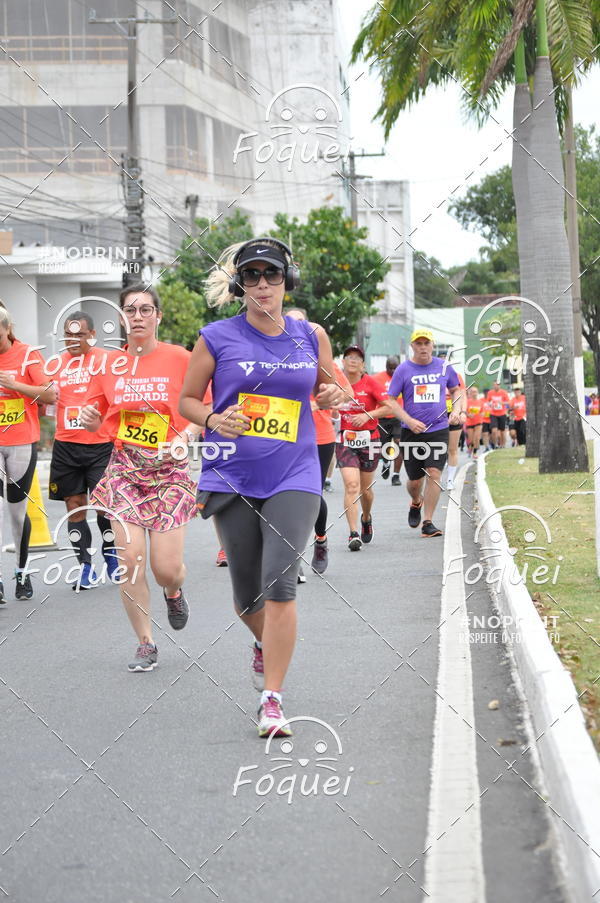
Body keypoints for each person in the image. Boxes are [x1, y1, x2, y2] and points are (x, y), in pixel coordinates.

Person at [178, 238, 341, 738]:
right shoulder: (215, 338)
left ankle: (273, 699)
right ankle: (262, 641)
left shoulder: (310, 335)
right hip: (231, 474)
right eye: (252, 277)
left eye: (272, 276)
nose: (263, 285)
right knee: (247, 596)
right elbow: (186, 401)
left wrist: (334, 392)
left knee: (280, 583)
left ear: (286, 280)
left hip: (296, 472)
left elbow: (330, 390)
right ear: (239, 284)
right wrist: (211, 418)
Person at [80, 284, 200, 672]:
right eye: (130, 310)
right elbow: (100, 417)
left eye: (146, 309)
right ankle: (145, 642)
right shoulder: (109, 366)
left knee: (165, 567)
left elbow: (205, 405)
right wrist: (92, 420)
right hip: (125, 470)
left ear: (158, 316)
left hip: (170, 470)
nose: (138, 316)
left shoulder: (181, 358)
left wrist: (186, 435)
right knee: (130, 559)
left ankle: (173, 589)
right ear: (121, 318)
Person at [49, 311, 119, 590]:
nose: (73, 339)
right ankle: (85, 567)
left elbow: (118, 399)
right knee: (74, 507)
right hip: (66, 446)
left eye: (79, 334)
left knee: (104, 507)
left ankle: (111, 556)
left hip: (101, 445)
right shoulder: (55, 364)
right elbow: (47, 403)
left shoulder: (106, 361)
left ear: (91, 335)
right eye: (69, 333)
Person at [285, 307, 352, 575]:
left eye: (303, 324)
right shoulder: (275, 359)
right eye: (291, 324)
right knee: (286, 497)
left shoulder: (322, 358)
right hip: (285, 437)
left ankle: (321, 540)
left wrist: (330, 397)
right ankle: (292, 557)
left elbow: (347, 392)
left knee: (312, 495)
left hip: (320, 437)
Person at [0, 306, 56, 601]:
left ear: (7, 329)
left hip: (21, 441)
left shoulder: (27, 354)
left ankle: (22, 573)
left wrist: (14, 385)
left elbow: (50, 394)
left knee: (17, 515)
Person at [386, 329, 464, 537]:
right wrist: (409, 421)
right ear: (412, 347)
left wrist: (456, 411)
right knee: (414, 481)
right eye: (418, 344)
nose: (422, 347)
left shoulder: (443, 367)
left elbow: (457, 389)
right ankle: (416, 501)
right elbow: (391, 401)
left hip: (438, 429)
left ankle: (428, 522)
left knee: (435, 472)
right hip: (411, 432)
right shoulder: (403, 370)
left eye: (426, 343)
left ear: (432, 345)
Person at [336, 345, 393, 550]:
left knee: (365, 490)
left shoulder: (371, 383)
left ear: (363, 364)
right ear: (343, 362)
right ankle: (353, 534)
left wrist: (367, 415)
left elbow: (388, 406)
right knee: (351, 485)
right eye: (349, 357)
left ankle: (366, 518)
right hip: (345, 440)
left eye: (357, 358)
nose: (353, 360)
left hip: (369, 439)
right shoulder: (336, 383)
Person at [373, 355, 404, 485]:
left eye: (394, 368)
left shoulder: (404, 377)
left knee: (399, 443)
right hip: (382, 418)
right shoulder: (377, 379)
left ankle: (396, 475)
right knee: (385, 446)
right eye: (389, 368)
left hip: (398, 416)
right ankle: (386, 463)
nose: (391, 371)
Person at [486, 380, 510, 448]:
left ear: (499, 385)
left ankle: (503, 445)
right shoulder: (490, 393)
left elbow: (508, 402)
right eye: (495, 385)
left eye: (497, 385)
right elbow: (487, 401)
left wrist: (502, 403)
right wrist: (490, 404)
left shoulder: (504, 392)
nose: (496, 386)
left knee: (502, 431)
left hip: (502, 413)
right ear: (493, 385)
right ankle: (495, 445)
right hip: (493, 414)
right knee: (494, 431)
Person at [465, 387, 484, 457]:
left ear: (477, 393)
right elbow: (464, 411)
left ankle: (475, 453)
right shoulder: (467, 402)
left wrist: (482, 414)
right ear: (470, 393)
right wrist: (468, 414)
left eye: (475, 391)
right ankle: (471, 447)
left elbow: (482, 412)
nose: (474, 393)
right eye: (473, 392)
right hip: (469, 422)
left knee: (477, 437)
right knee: (471, 439)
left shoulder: (480, 402)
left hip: (478, 422)